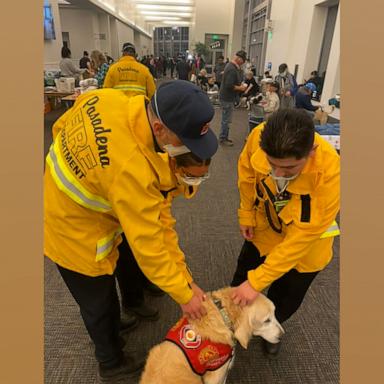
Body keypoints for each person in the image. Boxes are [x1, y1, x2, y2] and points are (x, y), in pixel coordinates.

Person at [44, 80, 219, 382]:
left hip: (79, 199)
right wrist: (184, 294)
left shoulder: (111, 98)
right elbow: (151, 245)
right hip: (70, 228)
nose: (188, 149)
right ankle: (110, 363)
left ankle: (114, 323)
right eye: (186, 141)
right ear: (160, 128)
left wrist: (185, 280)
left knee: (108, 292)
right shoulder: (131, 170)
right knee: (97, 300)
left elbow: (60, 127)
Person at [230, 108, 340, 359]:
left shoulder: (330, 172)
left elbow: (302, 238)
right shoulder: (259, 136)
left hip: (306, 249)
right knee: (242, 276)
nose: (278, 174)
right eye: (272, 165)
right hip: (266, 227)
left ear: (310, 152)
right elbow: (246, 175)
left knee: (286, 295)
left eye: (289, 168)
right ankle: (233, 321)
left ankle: (270, 326)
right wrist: (246, 213)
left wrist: (258, 283)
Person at [218, 50, 248, 146]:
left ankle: (224, 137)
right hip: (227, 98)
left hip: (227, 97)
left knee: (226, 119)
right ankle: (223, 138)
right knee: (226, 120)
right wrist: (241, 88)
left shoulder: (231, 66)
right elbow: (229, 85)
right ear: (239, 58)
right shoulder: (231, 68)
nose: (243, 63)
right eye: (243, 61)